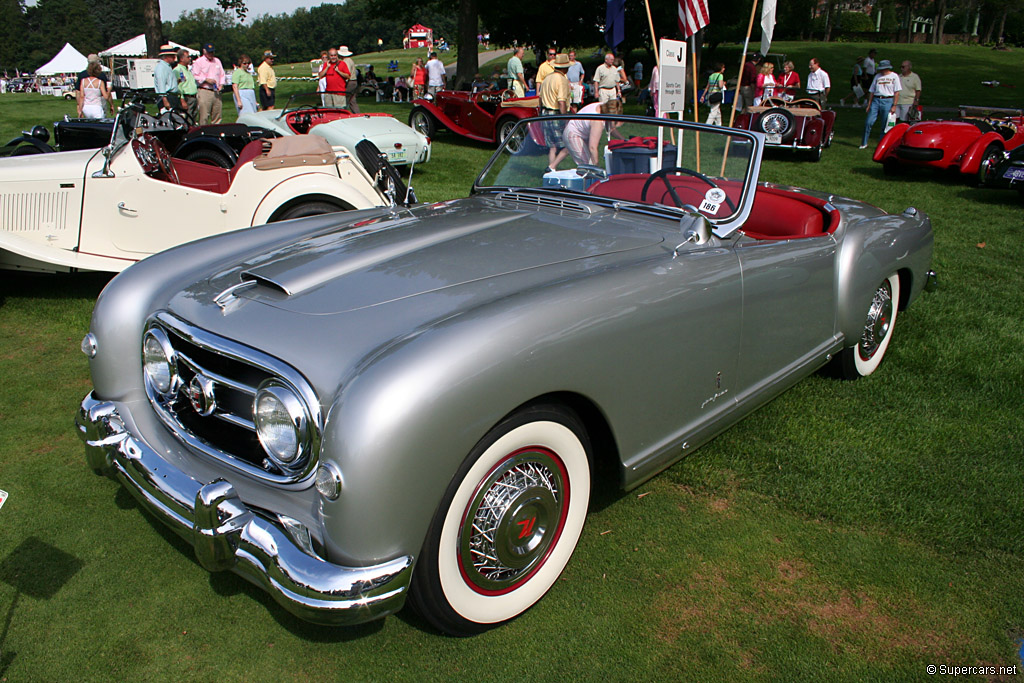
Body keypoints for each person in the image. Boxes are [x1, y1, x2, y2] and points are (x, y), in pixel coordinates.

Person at [564, 99, 624, 166]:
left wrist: (623, 139)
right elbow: (592, 147)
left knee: (590, 164)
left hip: (582, 132)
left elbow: (611, 129)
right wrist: (596, 165)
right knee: (588, 165)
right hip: (573, 134)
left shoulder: (603, 106)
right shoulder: (597, 121)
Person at [538, 53, 572, 173]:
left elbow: (540, 98)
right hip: (556, 113)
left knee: (552, 146)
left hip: (545, 114)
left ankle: (552, 170)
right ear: (564, 68)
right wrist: (565, 118)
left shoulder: (547, 78)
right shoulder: (562, 80)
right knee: (568, 145)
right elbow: (561, 101)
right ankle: (552, 167)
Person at [860, 59, 900, 149]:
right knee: (868, 122)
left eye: (883, 69)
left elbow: (897, 92)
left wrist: (894, 105)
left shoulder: (894, 76)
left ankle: (882, 144)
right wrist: (869, 104)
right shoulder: (877, 76)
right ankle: (864, 143)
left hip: (888, 100)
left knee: (885, 124)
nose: (881, 71)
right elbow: (872, 91)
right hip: (876, 100)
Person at [193, 43, 226, 123]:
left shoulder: (217, 61)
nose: (211, 54)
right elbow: (195, 76)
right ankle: (203, 132)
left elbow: (222, 74)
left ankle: (216, 132)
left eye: (212, 52)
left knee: (217, 114)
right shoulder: (199, 62)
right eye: (209, 52)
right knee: (204, 115)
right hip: (205, 90)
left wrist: (221, 84)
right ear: (204, 51)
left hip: (216, 91)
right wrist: (206, 79)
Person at [153, 44, 181, 112]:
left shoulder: (167, 66)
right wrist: (165, 100)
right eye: (172, 56)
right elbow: (161, 84)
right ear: (167, 56)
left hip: (172, 96)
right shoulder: (161, 68)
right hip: (167, 97)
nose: (174, 57)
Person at [175, 49, 198, 120]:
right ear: (182, 59)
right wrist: (182, 100)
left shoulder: (188, 70)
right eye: (188, 57)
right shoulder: (177, 70)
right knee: (187, 118)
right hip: (186, 98)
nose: (190, 58)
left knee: (193, 118)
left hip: (194, 97)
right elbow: (178, 87)